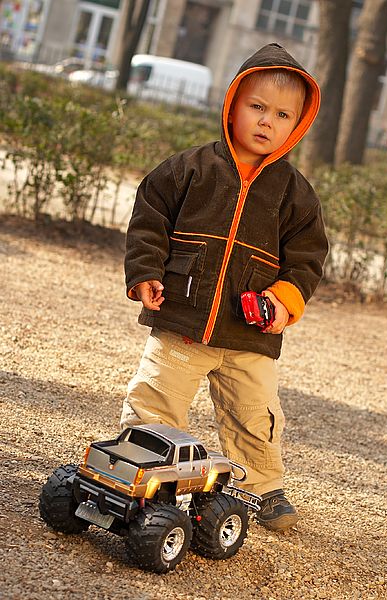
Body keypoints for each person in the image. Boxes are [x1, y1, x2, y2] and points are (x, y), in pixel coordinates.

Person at [120, 43, 329, 531]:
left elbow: (307, 258)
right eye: (256, 106)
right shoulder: (189, 168)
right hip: (181, 319)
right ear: (232, 104)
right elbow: (149, 219)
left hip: (249, 334)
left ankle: (262, 486)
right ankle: (144, 471)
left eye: (282, 114)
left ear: (297, 124)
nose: (266, 121)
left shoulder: (295, 193)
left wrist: (284, 300)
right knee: (154, 398)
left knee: (255, 415)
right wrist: (146, 272)